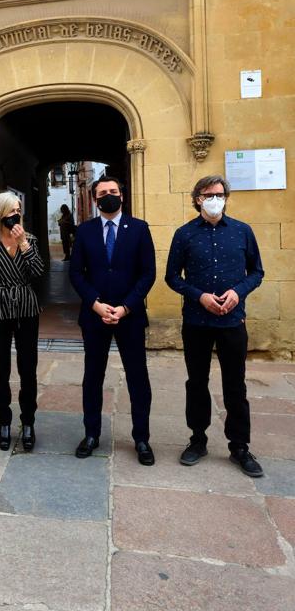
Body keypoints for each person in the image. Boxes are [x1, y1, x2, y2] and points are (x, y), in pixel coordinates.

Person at [165, 175, 265, 477]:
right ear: (197, 199)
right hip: (197, 321)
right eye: (208, 195)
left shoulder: (242, 231)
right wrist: (199, 296)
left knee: (235, 384)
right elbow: (172, 277)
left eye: (220, 195)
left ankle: (240, 447)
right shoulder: (184, 234)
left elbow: (256, 272)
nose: (214, 200)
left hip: (232, 321)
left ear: (226, 198)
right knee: (197, 382)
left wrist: (238, 292)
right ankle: (198, 439)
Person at [70, 176, 156, 465]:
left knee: (137, 377)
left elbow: (148, 273)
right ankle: (91, 434)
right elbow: (76, 273)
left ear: (122, 195)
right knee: (93, 377)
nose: (108, 195)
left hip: (129, 316)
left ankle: (141, 438)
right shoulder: (85, 231)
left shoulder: (140, 229)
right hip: (95, 316)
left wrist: (126, 307)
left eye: (113, 191)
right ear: (95, 200)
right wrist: (95, 304)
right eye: (103, 193)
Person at [0, 192, 44, 451]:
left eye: (18, 210)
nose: (16, 215)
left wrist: (23, 243)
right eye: (11, 210)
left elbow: (38, 272)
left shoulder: (31, 240)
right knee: (0, 369)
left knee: (28, 368)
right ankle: (3, 420)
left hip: (26, 308)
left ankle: (28, 422)